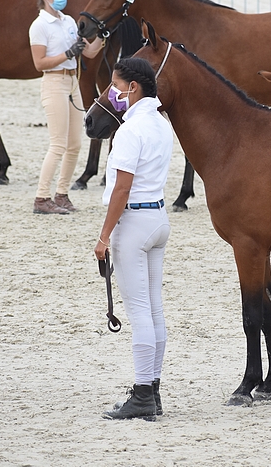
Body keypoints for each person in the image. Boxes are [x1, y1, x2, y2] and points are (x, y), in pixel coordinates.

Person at [94, 58, 173, 420]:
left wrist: (103, 235)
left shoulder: (129, 131)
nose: (112, 92)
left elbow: (121, 189)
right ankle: (152, 389)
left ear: (133, 88)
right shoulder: (160, 123)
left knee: (140, 312)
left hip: (134, 223)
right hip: (158, 219)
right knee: (154, 309)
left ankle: (142, 394)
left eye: (115, 84)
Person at [27, 0, 103, 214]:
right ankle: (41, 198)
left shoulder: (69, 21)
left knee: (75, 144)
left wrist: (102, 35)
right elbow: (39, 63)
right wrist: (68, 54)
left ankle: (62, 194)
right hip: (54, 82)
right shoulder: (39, 26)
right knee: (58, 144)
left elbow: (89, 52)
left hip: (72, 82)